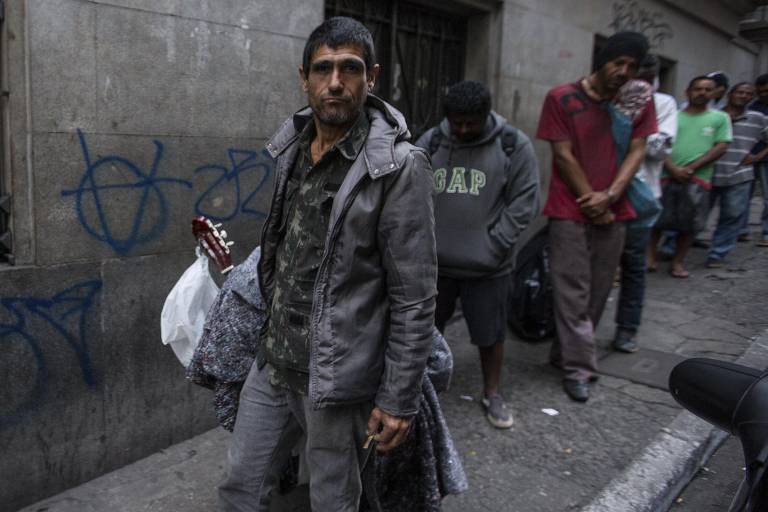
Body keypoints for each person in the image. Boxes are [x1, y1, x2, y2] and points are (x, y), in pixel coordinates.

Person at [218, 17, 437, 511]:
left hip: (337, 378)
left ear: (372, 76)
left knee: (333, 499)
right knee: (240, 485)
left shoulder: (399, 167)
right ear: (304, 77)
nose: (334, 82)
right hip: (273, 363)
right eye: (323, 69)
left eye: (349, 68)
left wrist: (398, 397)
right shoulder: (292, 148)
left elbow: (415, 296)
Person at [536, 31, 657, 402]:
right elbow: (563, 154)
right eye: (618, 63)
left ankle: (565, 353)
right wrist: (591, 198)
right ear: (602, 61)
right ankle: (579, 368)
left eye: (632, 67)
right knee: (572, 290)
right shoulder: (562, 97)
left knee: (600, 289)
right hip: (569, 208)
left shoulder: (637, 103)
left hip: (615, 209)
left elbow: (639, 150)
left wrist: (610, 196)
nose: (624, 72)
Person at [416, 80, 540, 428]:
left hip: (488, 267)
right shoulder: (432, 142)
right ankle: (421, 393)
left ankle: (492, 393)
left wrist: (494, 244)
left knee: (490, 335)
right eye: (458, 122)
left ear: (486, 114)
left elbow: (524, 202)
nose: (464, 129)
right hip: (435, 265)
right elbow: (409, 192)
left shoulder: (513, 145)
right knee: (423, 332)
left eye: (472, 122)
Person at [613, 54, 677, 353]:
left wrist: (637, 124)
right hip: (606, 197)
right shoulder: (608, 99)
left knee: (633, 266)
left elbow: (661, 148)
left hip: (641, 197)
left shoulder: (662, 104)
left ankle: (627, 328)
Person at [648, 77, 731, 278]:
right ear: (688, 91)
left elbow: (721, 146)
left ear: (714, 93)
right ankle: (649, 258)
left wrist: (691, 168)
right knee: (656, 220)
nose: (702, 93)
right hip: (666, 174)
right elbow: (657, 142)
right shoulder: (673, 116)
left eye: (707, 89)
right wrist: (672, 167)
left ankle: (677, 262)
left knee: (690, 224)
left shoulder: (719, 118)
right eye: (697, 89)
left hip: (698, 178)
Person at [706, 83, 768, 267]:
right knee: (696, 213)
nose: (743, 96)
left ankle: (717, 253)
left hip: (739, 173)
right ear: (730, 94)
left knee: (732, 215)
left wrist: (758, 156)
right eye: (740, 92)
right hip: (708, 171)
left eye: (748, 94)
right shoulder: (714, 115)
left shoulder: (757, 118)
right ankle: (673, 247)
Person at [745, 73, 768, 246]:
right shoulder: (752, 107)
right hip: (748, 156)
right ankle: (741, 230)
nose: (763, 94)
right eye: (760, 91)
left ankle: (766, 232)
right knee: (744, 195)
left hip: (763, 157)